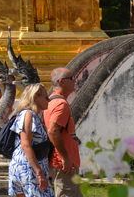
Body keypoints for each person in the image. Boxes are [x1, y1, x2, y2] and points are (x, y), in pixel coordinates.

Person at [8, 83, 53, 197]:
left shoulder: (31, 115)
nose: (48, 100)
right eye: (46, 97)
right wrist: (39, 172)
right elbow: (26, 145)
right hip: (29, 166)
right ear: (35, 97)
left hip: (26, 164)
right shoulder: (28, 115)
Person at [46, 68, 82, 197]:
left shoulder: (50, 101)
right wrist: (65, 157)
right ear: (62, 82)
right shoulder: (60, 104)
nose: (75, 81)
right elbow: (53, 130)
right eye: (71, 78)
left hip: (63, 161)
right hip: (64, 164)